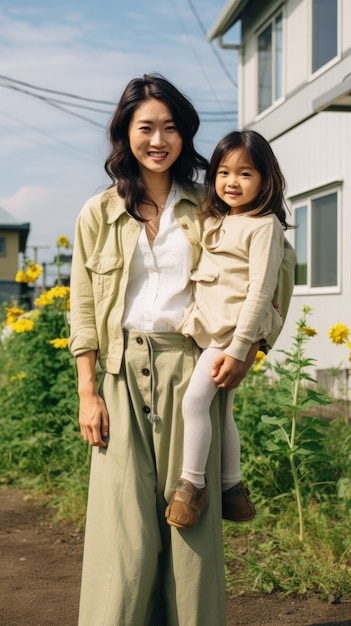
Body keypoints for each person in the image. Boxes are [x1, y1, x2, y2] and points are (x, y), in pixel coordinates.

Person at [69, 74, 257, 626]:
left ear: (185, 134)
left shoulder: (212, 205)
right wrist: (88, 389)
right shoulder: (98, 213)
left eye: (170, 128)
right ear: (125, 133)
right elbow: (82, 306)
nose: (158, 140)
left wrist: (246, 349)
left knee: (190, 525)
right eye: (146, 127)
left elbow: (271, 269)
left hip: (192, 367)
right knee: (122, 530)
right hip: (120, 373)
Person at [165, 130, 293, 530]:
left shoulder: (263, 224)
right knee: (222, 411)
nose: (232, 182)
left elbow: (261, 291)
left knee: (194, 403)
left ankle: (192, 484)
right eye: (223, 172)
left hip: (230, 335)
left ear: (266, 179)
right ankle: (232, 488)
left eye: (245, 174)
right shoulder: (217, 218)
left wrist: (240, 347)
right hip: (214, 330)